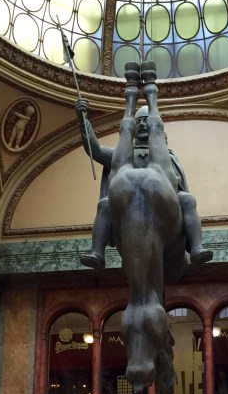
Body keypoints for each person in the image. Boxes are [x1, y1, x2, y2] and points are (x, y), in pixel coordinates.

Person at [74, 95, 212, 271]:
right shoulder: (123, 154)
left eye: (146, 121)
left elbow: (175, 181)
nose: (141, 125)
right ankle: (97, 253)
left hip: (164, 199)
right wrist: (82, 119)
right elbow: (95, 150)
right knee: (105, 204)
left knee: (187, 199)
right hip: (129, 200)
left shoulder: (166, 155)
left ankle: (196, 248)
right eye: (138, 121)